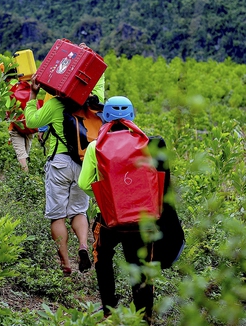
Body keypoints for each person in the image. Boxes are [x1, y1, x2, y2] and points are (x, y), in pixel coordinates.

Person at [78, 96, 157, 324]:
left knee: (102, 257)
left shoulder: (95, 146)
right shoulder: (146, 143)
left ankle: (109, 310)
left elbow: (84, 184)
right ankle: (144, 316)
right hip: (141, 219)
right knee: (141, 264)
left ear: (106, 117)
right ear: (131, 116)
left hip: (110, 219)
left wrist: (107, 197)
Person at [24, 74, 92, 276]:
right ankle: (83, 245)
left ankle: (65, 263)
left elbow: (31, 121)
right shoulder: (87, 103)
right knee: (79, 211)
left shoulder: (55, 104)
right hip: (82, 163)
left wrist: (33, 94)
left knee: (58, 215)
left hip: (60, 163)